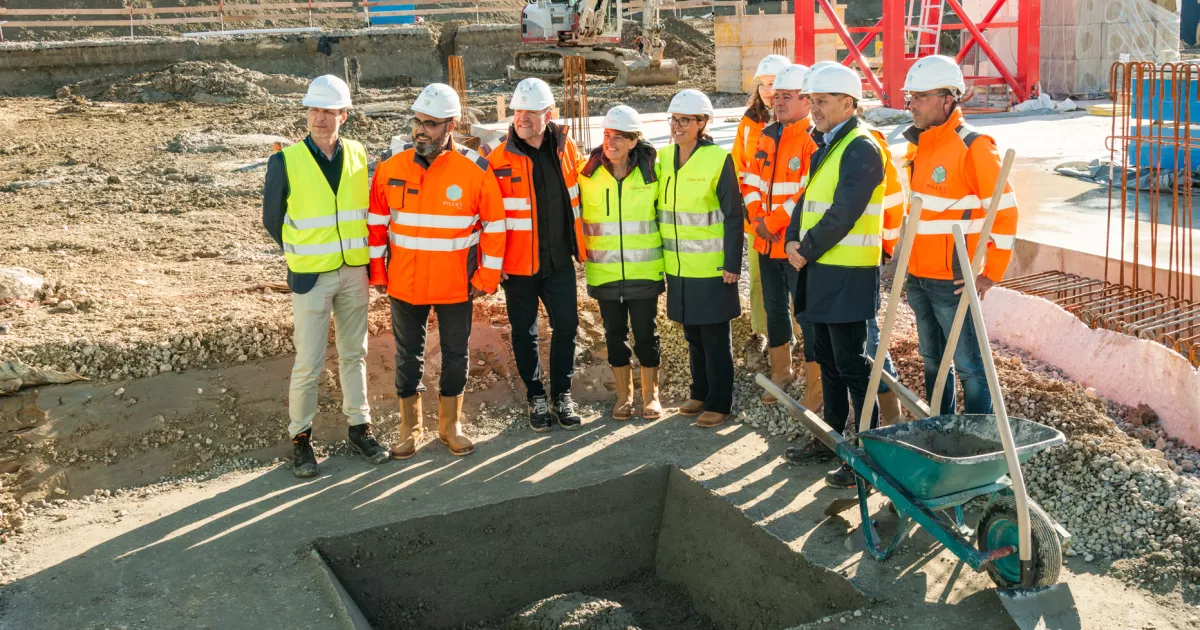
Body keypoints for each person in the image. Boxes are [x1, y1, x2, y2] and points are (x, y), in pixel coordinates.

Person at [367, 83, 505, 459]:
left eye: (430, 123)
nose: (420, 130)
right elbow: (377, 224)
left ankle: (450, 426)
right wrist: (378, 273)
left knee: (455, 355)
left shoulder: (474, 170)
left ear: (451, 125)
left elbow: (495, 226)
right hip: (404, 284)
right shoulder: (390, 168)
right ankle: (410, 428)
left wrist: (485, 278)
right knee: (406, 356)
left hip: (456, 285)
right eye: (417, 122)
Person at [261, 75, 389, 478]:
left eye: (328, 111)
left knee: (355, 354)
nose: (319, 117)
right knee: (309, 362)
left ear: (343, 116)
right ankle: (300, 439)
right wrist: (301, 252)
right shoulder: (285, 160)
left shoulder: (357, 153)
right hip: (311, 277)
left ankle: (359, 427)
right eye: (314, 110)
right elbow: (271, 219)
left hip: (353, 272)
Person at [782, 65, 886, 488]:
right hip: (822, 273)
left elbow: (844, 212)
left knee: (852, 366)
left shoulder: (861, 147)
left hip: (847, 275)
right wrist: (791, 239)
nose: (814, 110)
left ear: (848, 102)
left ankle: (866, 457)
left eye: (821, 102)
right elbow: (806, 201)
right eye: (812, 101)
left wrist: (803, 250)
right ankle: (832, 439)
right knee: (826, 361)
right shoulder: (827, 145)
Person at [902, 55, 1018, 415]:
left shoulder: (975, 146)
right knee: (933, 360)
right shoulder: (918, 145)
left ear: (948, 98)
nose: (912, 104)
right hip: (918, 276)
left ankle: (978, 437)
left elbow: (1005, 211)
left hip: (953, 279)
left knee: (970, 367)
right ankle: (943, 427)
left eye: (921, 96)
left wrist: (990, 274)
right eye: (910, 96)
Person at [485, 78, 587, 433]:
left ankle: (562, 394)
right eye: (517, 111)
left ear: (548, 114)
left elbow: (580, 195)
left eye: (530, 111)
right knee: (524, 332)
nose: (522, 117)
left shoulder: (565, 148)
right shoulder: (497, 158)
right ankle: (536, 396)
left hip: (558, 261)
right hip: (517, 266)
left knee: (567, 327)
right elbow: (485, 216)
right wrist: (492, 263)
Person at [658, 89, 744, 429]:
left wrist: (732, 264)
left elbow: (734, 216)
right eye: (674, 119)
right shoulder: (663, 157)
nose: (677, 126)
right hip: (678, 266)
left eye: (685, 120)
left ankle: (720, 402)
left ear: (701, 123)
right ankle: (700, 390)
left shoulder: (717, 159)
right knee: (692, 333)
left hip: (711, 267)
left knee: (714, 337)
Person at [740, 63, 820, 408]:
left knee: (805, 311)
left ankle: (815, 381)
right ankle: (781, 372)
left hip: (793, 243)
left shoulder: (813, 140)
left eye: (787, 97)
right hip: (765, 240)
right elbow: (751, 180)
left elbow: (804, 192)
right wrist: (758, 218)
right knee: (774, 308)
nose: (778, 102)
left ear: (807, 101)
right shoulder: (768, 134)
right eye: (778, 96)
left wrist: (770, 223)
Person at [578, 105, 665, 421]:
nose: (610, 142)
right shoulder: (586, 174)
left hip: (644, 270)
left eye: (618, 137)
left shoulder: (653, 173)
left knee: (646, 333)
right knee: (614, 335)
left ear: (633, 141)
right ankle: (624, 396)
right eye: (607, 135)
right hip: (605, 273)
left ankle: (651, 396)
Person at [732, 53, 791, 366]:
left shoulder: (796, 120)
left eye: (774, 83)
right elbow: (740, 168)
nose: (768, 90)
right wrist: (752, 211)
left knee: (795, 280)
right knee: (758, 281)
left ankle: (795, 337)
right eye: (764, 84)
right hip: (757, 220)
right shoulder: (749, 122)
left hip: (791, 220)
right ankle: (760, 335)